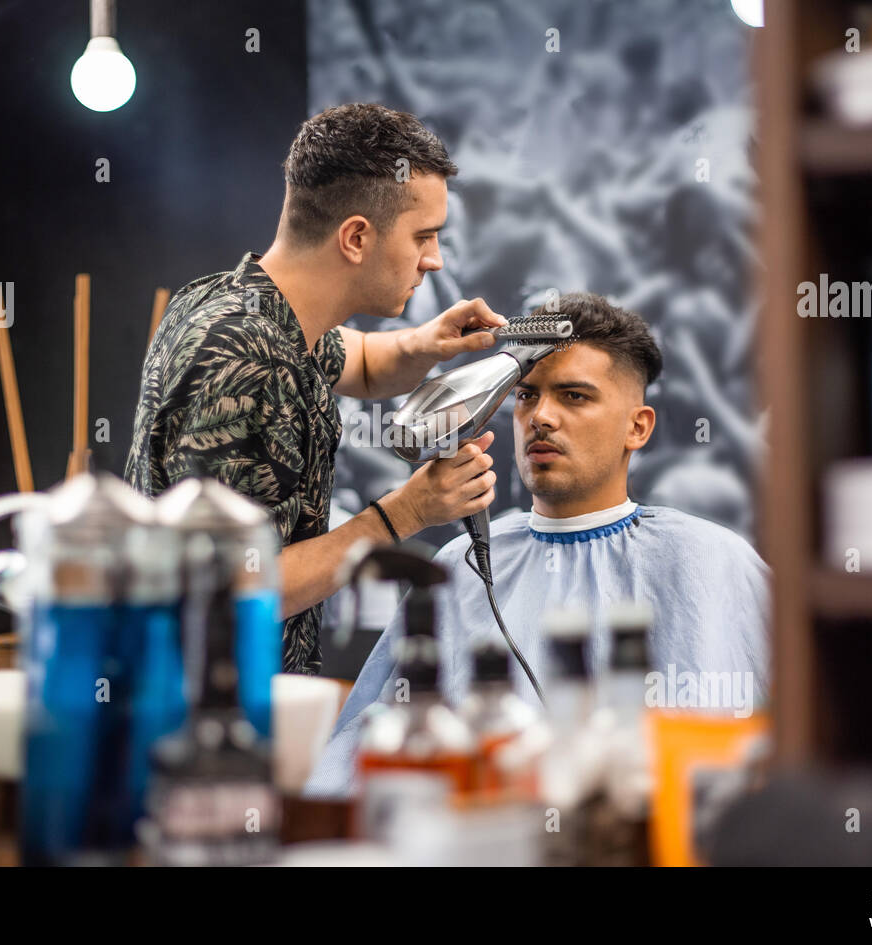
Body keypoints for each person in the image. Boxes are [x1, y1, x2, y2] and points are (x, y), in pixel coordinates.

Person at [304, 292, 771, 797]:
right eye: (526, 396)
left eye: (575, 396)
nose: (541, 417)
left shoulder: (711, 560)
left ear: (637, 427)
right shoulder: (461, 568)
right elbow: (363, 754)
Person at [125, 103, 511, 676]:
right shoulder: (237, 352)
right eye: (424, 236)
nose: (433, 260)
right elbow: (227, 593)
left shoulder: (245, 304)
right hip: (200, 716)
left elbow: (362, 361)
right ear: (356, 237)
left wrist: (427, 342)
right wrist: (406, 513)